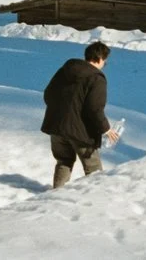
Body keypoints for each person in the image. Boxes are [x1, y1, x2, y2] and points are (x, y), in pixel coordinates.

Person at [41, 41, 113, 188]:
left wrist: (60, 112)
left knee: (64, 161)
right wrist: (106, 129)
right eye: (105, 61)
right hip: (80, 132)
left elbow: (48, 94)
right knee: (93, 169)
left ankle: (56, 195)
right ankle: (96, 196)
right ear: (100, 59)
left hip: (56, 126)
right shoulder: (96, 78)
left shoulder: (65, 70)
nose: (104, 64)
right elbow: (94, 108)